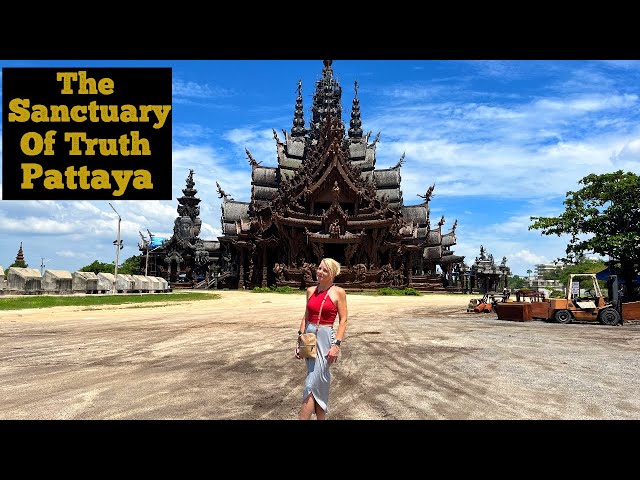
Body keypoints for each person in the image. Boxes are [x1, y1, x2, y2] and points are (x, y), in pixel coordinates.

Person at [295, 258, 348, 420]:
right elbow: (306, 316)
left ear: (332, 274)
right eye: (319, 268)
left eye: (325, 270)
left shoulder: (338, 292)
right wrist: (299, 340)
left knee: (313, 382)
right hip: (309, 338)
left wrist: (336, 345)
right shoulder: (310, 291)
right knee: (316, 381)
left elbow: (343, 319)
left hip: (326, 338)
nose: (320, 272)